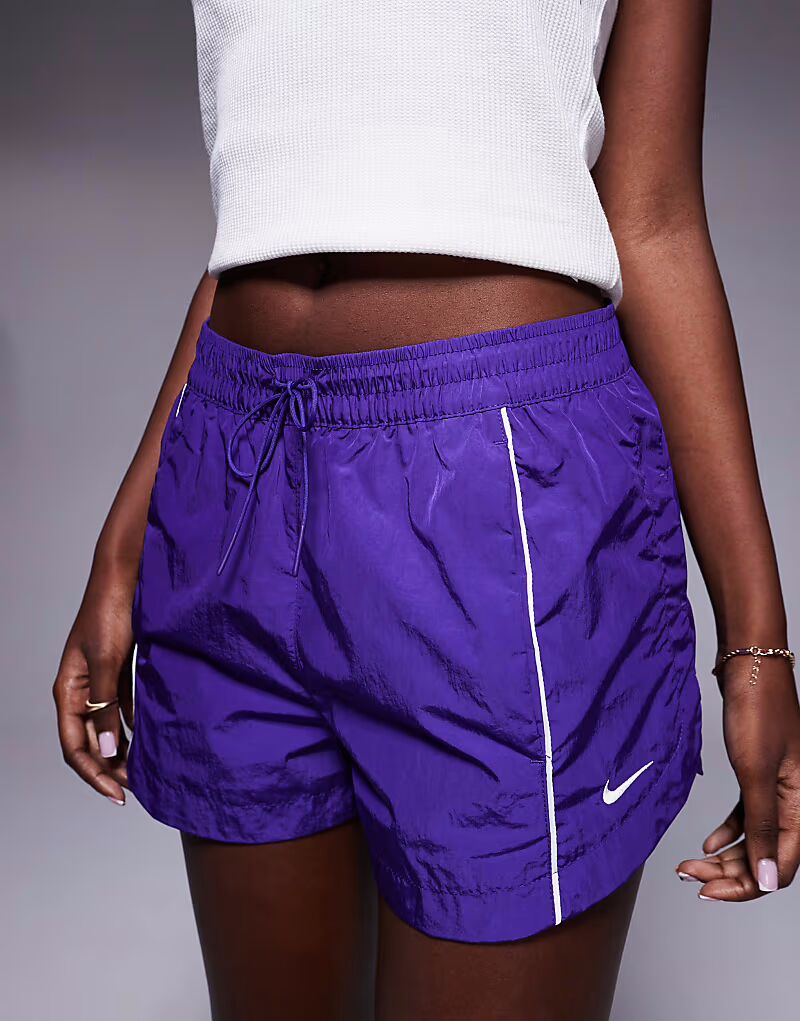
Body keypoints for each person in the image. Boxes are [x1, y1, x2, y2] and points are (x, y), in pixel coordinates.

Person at [53, 2, 799, 1019]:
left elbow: (653, 217)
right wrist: (125, 542)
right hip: (231, 465)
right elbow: (272, 212)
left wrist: (756, 641)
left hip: (495, 489)